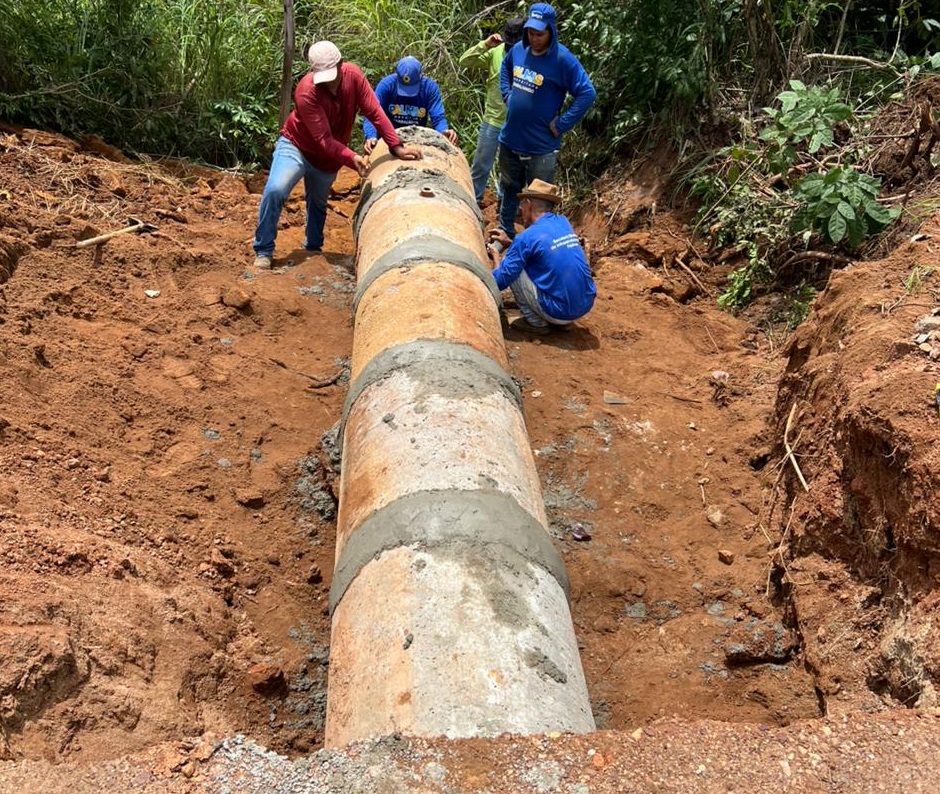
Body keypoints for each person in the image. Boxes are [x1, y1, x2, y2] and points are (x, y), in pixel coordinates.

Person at [252, 41, 421, 269]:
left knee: (318, 202)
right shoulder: (306, 91)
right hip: (297, 146)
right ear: (313, 71)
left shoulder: (353, 77)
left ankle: (312, 250)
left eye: (332, 74)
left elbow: (375, 111)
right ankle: (263, 250)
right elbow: (323, 139)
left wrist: (396, 145)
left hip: (329, 156)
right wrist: (351, 157)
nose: (329, 81)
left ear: (341, 64)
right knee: (275, 190)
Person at [497, 3, 596, 238]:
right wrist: (508, 96)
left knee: (538, 199)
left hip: (541, 146)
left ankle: (536, 244)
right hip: (511, 138)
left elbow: (587, 93)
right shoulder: (518, 51)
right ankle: (503, 232)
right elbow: (505, 67)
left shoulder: (563, 60)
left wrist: (562, 124)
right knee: (509, 189)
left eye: (539, 33)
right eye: (531, 32)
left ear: (551, 30)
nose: (534, 38)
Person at [486, 179, 596, 335]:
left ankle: (536, 322)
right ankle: (563, 320)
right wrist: (510, 243)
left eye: (522, 204)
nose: (520, 208)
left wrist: (496, 256)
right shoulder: (563, 222)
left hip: (558, 312)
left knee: (510, 265)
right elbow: (543, 250)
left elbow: (499, 281)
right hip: (583, 305)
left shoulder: (525, 238)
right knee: (530, 263)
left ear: (529, 204)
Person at [458, 17, 525, 205]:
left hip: (516, 123)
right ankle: (473, 201)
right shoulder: (495, 53)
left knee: (511, 169)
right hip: (492, 120)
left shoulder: (529, 58)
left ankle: (505, 205)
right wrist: (485, 44)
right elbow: (465, 61)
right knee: (481, 164)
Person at [362, 56, 458, 154]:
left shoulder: (429, 88)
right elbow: (372, 114)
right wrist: (371, 136)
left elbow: (438, 117)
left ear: (421, 75)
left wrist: (443, 130)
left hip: (417, 136)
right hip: (388, 136)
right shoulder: (387, 85)